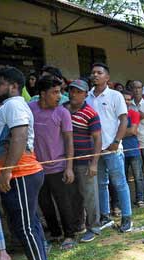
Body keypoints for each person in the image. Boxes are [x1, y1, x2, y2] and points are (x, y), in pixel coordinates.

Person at [0, 67, 51, 260]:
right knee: (30, 224)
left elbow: (19, 136)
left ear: (12, 86)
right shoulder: (11, 106)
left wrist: (7, 171)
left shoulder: (13, 104)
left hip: (20, 173)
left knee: (25, 226)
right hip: (21, 173)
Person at [29, 75, 81, 251]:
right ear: (43, 94)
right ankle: (55, 233)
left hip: (59, 167)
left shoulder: (62, 112)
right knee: (44, 203)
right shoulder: (29, 109)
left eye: (60, 92)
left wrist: (69, 167)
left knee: (64, 202)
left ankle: (69, 235)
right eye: (55, 92)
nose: (59, 96)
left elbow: (69, 141)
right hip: (36, 168)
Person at [86, 63, 133, 233]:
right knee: (100, 184)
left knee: (119, 183)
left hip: (112, 147)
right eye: (93, 73)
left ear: (107, 77)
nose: (95, 75)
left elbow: (124, 120)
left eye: (99, 73)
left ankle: (127, 218)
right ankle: (105, 217)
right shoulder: (88, 97)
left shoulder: (115, 96)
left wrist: (116, 141)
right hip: (95, 150)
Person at [64, 79, 102, 243]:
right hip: (66, 161)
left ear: (86, 94)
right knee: (73, 196)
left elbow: (98, 139)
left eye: (78, 91)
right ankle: (79, 225)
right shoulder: (63, 109)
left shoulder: (91, 113)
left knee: (89, 196)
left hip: (85, 160)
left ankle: (94, 227)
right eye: (72, 90)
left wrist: (94, 163)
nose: (74, 94)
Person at [120, 90, 144, 208]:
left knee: (138, 177)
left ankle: (140, 199)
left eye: (129, 99)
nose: (127, 101)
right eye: (125, 99)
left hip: (134, 150)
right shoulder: (115, 114)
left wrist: (118, 134)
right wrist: (126, 132)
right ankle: (124, 202)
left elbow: (133, 131)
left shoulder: (134, 113)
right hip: (119, 150)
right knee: (122, 179)